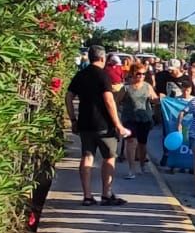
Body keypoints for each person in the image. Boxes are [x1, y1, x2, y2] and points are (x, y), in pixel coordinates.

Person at [65, 45, 131, 206]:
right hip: (104, 124)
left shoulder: (80, 75)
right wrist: (118, 125)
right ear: (102, 58)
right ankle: (106, 194)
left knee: (87, 156)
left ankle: (87, 196)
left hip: (85, 123)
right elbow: (109, 100)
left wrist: (73, 119)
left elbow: (68, 96)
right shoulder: (103, 76)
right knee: (109, 157)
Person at [117, 64, 158, 178]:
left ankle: (142, 166)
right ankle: (131, 169)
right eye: (138, 74)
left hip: (144, 118)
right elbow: (116, 102)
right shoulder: (125, 88)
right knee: (131, 142)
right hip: (129, 119)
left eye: (143, 74)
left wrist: (160, 99)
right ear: (132, 74)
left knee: (142, 144)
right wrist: (117, 117)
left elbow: (155, 100)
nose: (141, 76)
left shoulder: (147, 86)